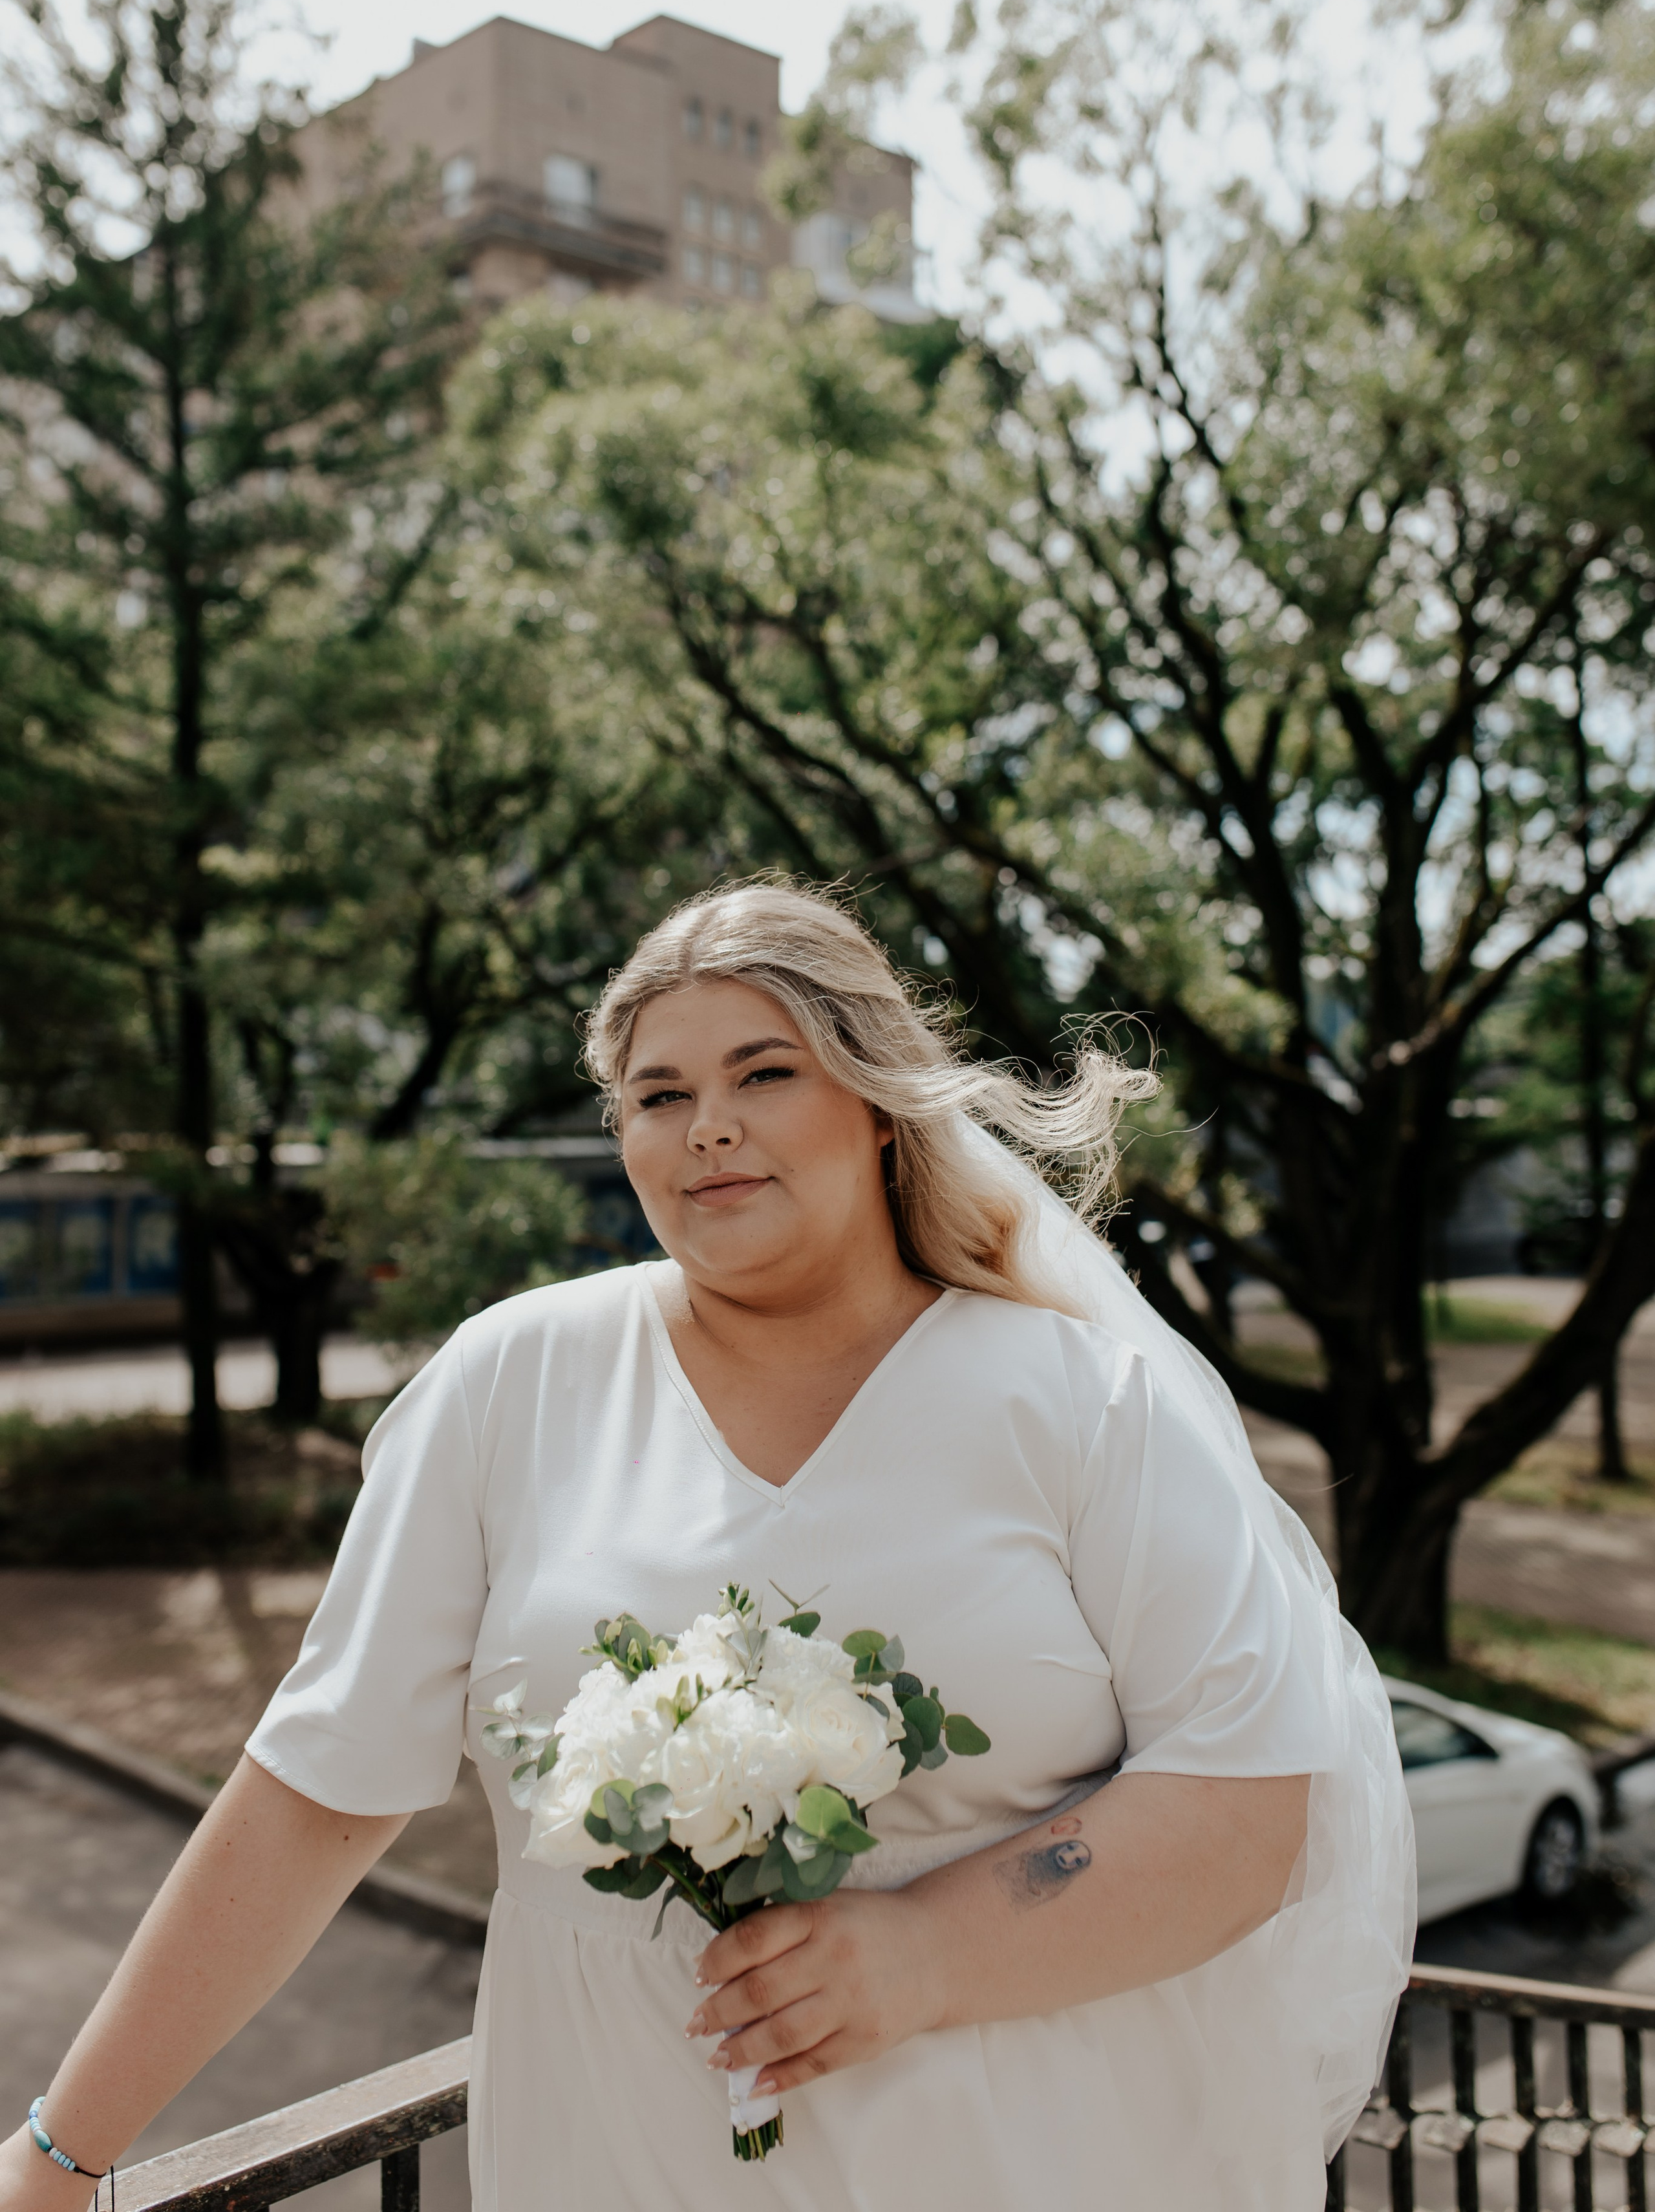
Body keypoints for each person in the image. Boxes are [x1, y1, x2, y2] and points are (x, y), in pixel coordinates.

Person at [3, 881, 1413, 2212]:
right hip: (611, 2147)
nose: (704, 1128)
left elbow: (1242, 1812)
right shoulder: (513, 1382)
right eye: (656, 1097)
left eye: (761, 1074)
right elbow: (317, 1789)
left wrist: (925, 1955)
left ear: (871, 1100)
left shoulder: (1083, 1402)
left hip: (1003, 2152)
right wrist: (61, 2159)